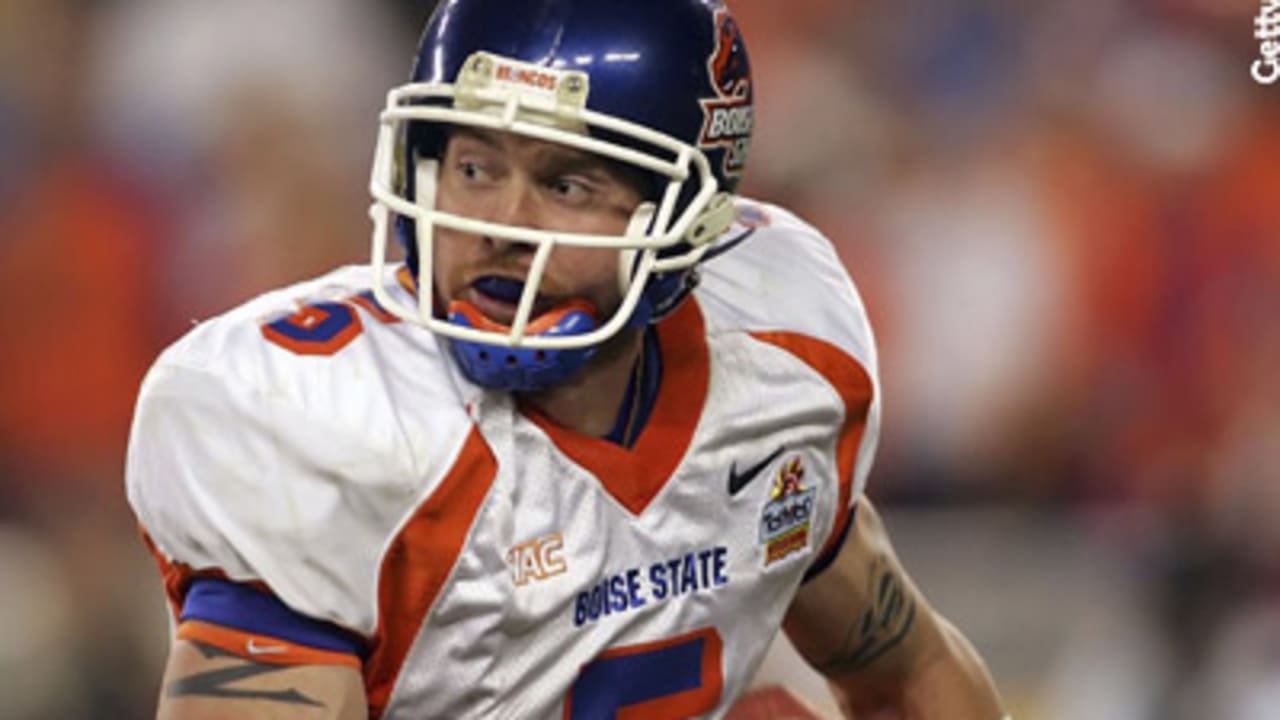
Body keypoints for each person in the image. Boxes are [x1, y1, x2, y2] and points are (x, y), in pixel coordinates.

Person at [126, 1, 1009, 718]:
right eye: (474, 167)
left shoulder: (778, 371)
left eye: (565, 184)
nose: (502, 227)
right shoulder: (327, 421)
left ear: (681, 221)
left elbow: (909, 674)